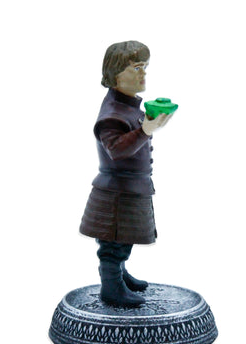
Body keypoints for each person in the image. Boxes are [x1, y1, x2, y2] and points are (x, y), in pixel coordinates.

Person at [79, 41, 172, 307]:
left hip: (128, 187)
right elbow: (117, 150)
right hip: (117, 191)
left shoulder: (126, 107)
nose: (144, 74)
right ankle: (111, 285)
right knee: (114, 242)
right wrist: (145, 130)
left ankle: (118, 275)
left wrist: (147, 124)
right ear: (116, 74)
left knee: (123, 237)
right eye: (137, 68)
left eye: (145, 67)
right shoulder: (112, 115)